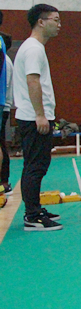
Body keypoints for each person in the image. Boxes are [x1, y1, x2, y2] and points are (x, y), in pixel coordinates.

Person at [14, 4, 62, 231]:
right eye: (55, 20)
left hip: (33, 116)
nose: (59, 25)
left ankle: (34, 209)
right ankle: (32, 216)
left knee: (36, 165)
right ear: (41, 22)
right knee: (35, 166)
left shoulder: (34, 47)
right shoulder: (33, 49)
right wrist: (40, 115)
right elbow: (32, 81)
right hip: (34, 118)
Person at [1, 32, 13, 194]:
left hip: (3, 107)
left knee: (1, 144)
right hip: (3, 105)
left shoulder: (6, 62)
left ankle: (4, 181)